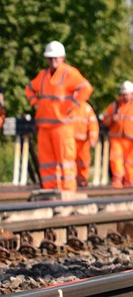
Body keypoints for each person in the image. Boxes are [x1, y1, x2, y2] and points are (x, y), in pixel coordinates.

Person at [25, 41, 92, 192]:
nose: (53, 61)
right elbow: (29, 89)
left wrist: (72, 105)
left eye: (56, 57)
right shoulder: (42, 76)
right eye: (50, 58)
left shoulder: (69, 73)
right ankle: (49, 188)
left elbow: (86, 88)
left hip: (63, 126)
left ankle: (68, 189)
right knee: (46, 161)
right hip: (44, 127)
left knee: (66, 160)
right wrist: (35, 103)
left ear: (62, 57)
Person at [103, 80, 133, 188]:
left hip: (131, 141)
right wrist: (111, 119)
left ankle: (129, 182)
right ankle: (117, 181)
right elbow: (105, 120)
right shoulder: (114, 106)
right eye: (123, 94)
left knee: (130, 162)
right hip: (116, 139)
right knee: (115, 159)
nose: (124, 96)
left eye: (127, 94)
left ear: (132, 94)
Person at [73, 99, 100, 188]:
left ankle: (82, 181)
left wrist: (93, 138)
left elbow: (93, 124)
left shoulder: (86, 108)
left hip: (83, 142)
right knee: (69, 162)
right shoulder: (67, 104)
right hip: (70, 140)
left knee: (83, 162)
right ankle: (71, 182)